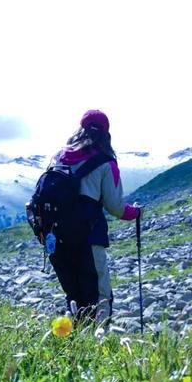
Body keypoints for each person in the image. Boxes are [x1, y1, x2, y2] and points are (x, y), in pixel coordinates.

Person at [48, 109, 141, 323]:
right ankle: (97, 345)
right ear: (106, 133)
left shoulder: (58, 156)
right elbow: (116, 207)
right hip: (88, 238)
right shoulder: (106, 162)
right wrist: (136, 212)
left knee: (74, 295)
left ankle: (75, 343)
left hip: (56, 239)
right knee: (99, 296)